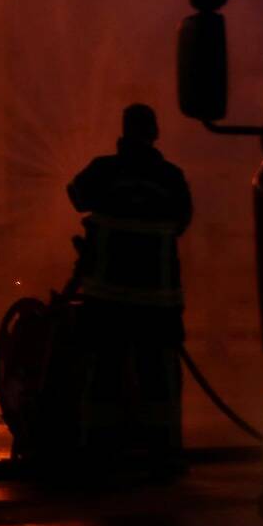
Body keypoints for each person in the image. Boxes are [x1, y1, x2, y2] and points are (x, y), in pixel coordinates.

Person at [61, 103, 194, 469]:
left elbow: (75, 196)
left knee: (103, 372)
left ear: (123, 132)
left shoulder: (103, 170)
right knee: (158, 378)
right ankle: (162, 452)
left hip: (106, 299)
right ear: (155, 134)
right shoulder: (172, 178)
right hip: (158, 303)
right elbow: (183, 221)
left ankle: (98, 451)